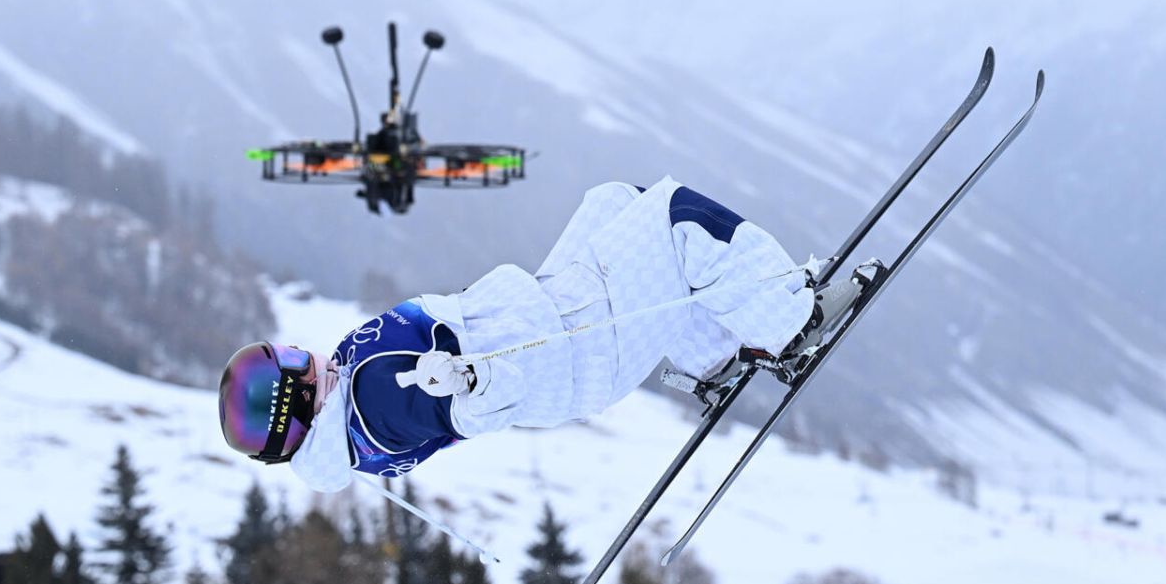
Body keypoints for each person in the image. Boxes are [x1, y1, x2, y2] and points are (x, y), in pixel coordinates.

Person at [219, 177, 845, 492]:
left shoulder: (353, 389)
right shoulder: (377, 404)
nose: (305, 354)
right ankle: (792, 323)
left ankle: (715, 355)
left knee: (614, 200)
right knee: (675, 215)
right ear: (298, 402)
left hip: (554, 310)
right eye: (293, 364)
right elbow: (475, 411)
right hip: (583, 348)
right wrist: (472, 380)